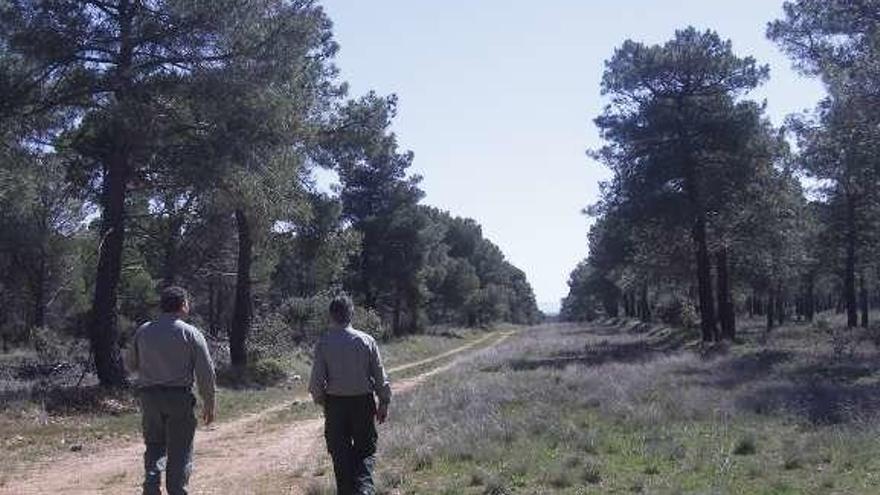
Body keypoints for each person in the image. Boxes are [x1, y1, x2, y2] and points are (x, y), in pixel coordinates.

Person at [125, 286, 216, 495]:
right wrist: (209, 402)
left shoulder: (144, 330)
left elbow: (130, 364)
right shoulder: (190, 333)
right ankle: (177, 491)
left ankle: (150, 488)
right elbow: (205, 372)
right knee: (180, 450)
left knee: (154, 446)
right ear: (183, 305)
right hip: (178, 398)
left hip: (149, 397)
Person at [309, 294, 392, 495]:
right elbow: (380, 376)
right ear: (351, 313)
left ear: (331, 315)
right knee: (365, 452)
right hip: (363, 403)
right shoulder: (366, 340)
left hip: (336, 405)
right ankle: (365, 491)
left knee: (340, 457)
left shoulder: (324, 343)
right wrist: (383, 403)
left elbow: (316, 383)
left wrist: (323, 402)